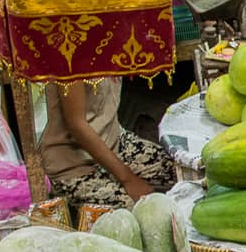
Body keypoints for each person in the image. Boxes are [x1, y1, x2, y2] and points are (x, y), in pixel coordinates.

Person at [40, 79, 175, 208]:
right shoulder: (70, 59)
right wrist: (129, 179)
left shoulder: (108, 56)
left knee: (177, 170)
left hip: (114, 145)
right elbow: (76, 125)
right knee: (131, 211)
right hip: (73, 165)